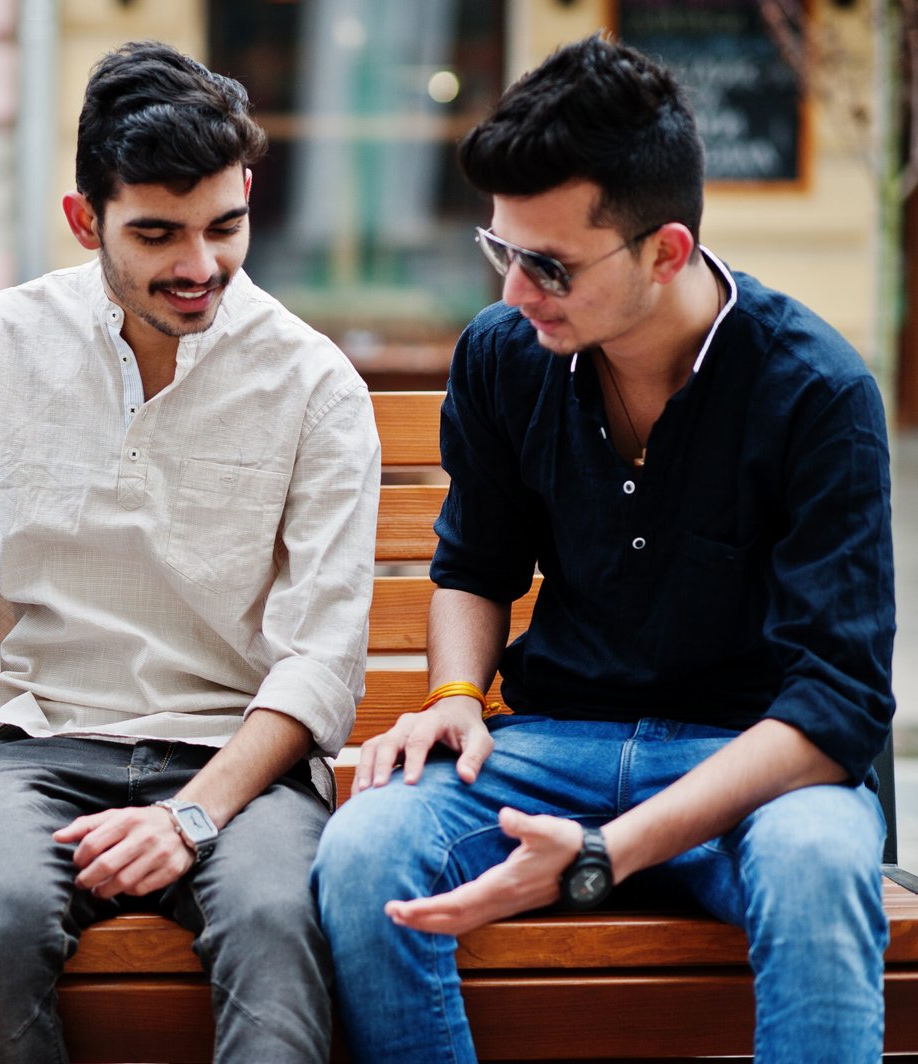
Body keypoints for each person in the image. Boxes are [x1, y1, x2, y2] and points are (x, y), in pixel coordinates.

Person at [312, 32, 894, 1064]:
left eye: (549, 265)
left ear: (664, 251)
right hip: (553, 745)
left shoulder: (818, 392)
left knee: (817, 868)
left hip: (751, 762)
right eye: (501, 252)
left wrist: (599, 855)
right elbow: (473, 565)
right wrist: (452, 697)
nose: (513, 295)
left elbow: (834, 705)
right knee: (361, 849)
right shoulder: (506, 354)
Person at [0, 39, 380, 1064]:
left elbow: (321, 651)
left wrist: (192, 816)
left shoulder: (314, 382)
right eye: (156, 233)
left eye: (225, 226)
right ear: (83, 218)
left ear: (249, 192)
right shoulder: (0, 340)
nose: (198, 266)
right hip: (34, 748)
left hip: (240, 760)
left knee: (281, 928)